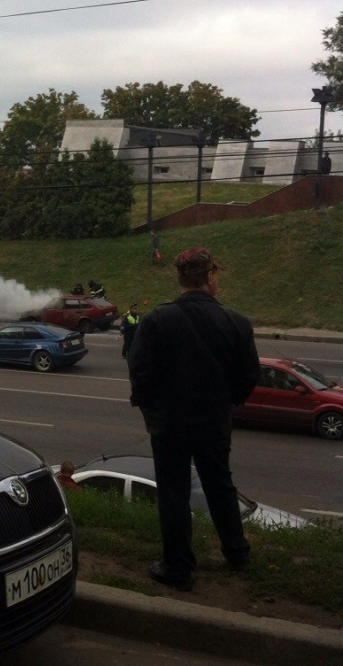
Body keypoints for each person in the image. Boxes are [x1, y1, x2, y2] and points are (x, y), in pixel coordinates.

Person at [127, 247, 261, 592]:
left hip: (169, 425)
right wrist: (228, 402)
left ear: (180, 279)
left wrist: (151, 409)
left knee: (174, 494)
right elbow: (248, 376)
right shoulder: (236, 322)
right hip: (214, 423)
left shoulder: (157, 320)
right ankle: (237, 553)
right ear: (210, 278)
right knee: (220, 485)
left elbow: (140, 372)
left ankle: (179, 568)